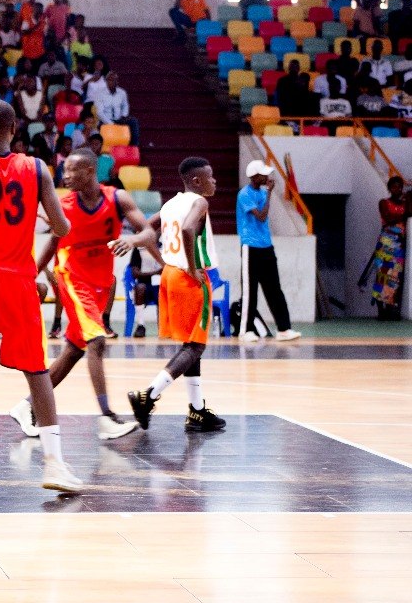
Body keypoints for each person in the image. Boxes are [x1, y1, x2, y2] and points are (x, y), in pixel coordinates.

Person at [0, 99, 82, 499]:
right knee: (37, 372)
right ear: (14, 128)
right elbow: (62, 227)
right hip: (18, 281)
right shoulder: (37, 168)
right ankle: (54, 462)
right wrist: (42, 214)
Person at [9, 147, 157, 443]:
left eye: (71, 170)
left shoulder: (117, 198)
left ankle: (26, 406)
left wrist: (132, 240)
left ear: (90, 171)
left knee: (74, 351)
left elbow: (149, 233)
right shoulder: (64, 205)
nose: (65, 175)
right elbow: (53, 244)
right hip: (72, 278)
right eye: (64, 170)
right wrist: (29, 275)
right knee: (97, 341)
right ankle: (107, 417)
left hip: (100, 282)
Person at [126, 156, 226, 434]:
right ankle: (148, 395)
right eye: (210, 176)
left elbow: (146, 230)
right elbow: (188, 229)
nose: (214, 181)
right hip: (189, 277)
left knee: (191, 344)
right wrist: (193, 269)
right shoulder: (199, 202)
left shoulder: (170, 204)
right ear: (196, 181)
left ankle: (196, 410)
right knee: (195, 347)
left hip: (170, 274)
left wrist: (162, 261)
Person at [237, 159, 302, 342]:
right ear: (255, 177)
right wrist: (270, 193)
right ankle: (246, 330)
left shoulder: (262, 192)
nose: (267, 177)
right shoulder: (245, 194)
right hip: (250, 246)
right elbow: (261, 216)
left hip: (266, 246)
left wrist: (267, 193)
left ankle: (284, 329)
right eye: (264, 174)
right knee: (250, 290)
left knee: (274, 289)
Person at [362, 176, 408, 321]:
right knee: (382, 275)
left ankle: (390, 309)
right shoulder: (384, 202)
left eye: (399, 187)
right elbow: (388, 218)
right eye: (394, 187)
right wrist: (404, 215)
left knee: (394, 277)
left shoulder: (405, 204)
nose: (397, 189)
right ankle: (381, 310)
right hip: (386, 242)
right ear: (389, 188)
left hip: (399, 244)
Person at [95, 72, 139, 145]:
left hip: (119, 119)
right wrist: (111, 123)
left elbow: (125, 106)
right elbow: (99, 112)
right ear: (106, 81)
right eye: (109, 80)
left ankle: (133, 146)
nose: (111, 82)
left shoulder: (122, 92)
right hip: (105, 120)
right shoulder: (100, 93)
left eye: (114, 80)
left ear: (117, 81)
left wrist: (124, 115)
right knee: (100, 126)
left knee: (133, 121)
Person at [128, 246, 163, 337]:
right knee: (140, 288)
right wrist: (155, 273)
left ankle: (163, 326)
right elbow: (135, 273)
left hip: (162, 283)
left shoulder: (166, 246)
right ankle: (141, 325)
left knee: (163, 291)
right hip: (145, 283)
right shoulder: (139, 248)